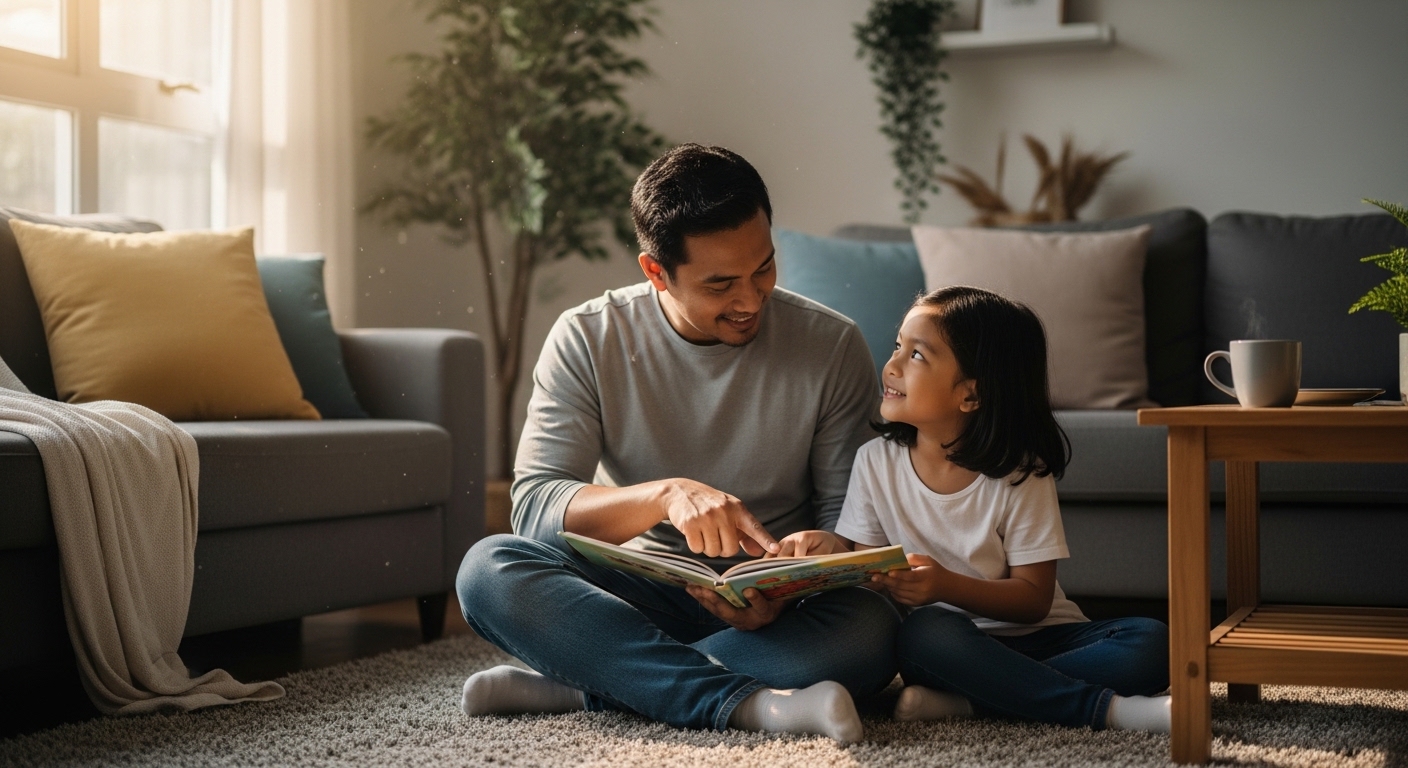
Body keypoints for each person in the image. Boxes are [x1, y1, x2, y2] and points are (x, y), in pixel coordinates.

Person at [455, 144, 900, 743]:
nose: (750, 300)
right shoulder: (588, 337)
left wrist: (797, 574)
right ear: (655, 271)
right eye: (720, 285)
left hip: (775, 613)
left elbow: (848, 523)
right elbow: (535, 509)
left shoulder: (833, 344)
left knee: (872, 628)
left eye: (764, 268)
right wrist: (666, 495)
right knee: (488, 570)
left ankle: (593, 684)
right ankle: (749, 704)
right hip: (640, 592)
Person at [775, 286, 1173, 733]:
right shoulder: (874, 461)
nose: (891, 366)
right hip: (950, 646)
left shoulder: (1021, 472)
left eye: (917, 356)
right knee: (922, 634)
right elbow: (871, 583)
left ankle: (975, 701)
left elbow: (1034, 600)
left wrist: (945, 584)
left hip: (1041, 641)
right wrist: (830, 549)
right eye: (896, 347)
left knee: (1154, 642)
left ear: (971, 395)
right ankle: (1107, 710)